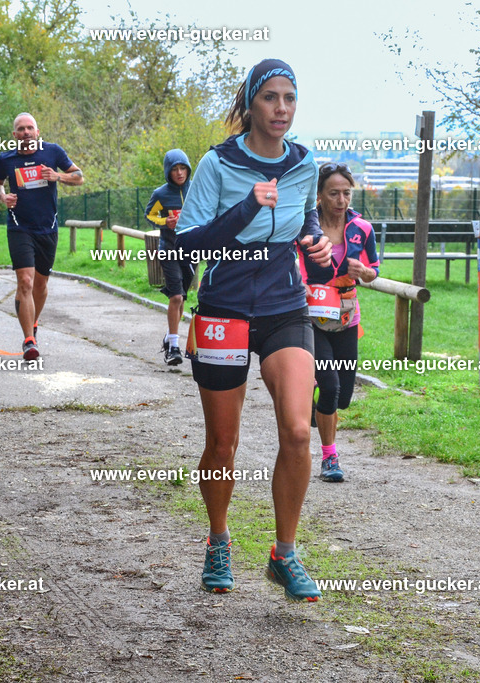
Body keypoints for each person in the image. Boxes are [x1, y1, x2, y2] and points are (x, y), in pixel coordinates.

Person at [174, 58, 332, 601]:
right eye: (270, 98)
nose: (281, 109)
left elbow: (305, 217)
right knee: (223, 441)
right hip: (224, 307)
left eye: (290, 98)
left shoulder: (304, 163)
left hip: (285, 305)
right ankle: (218, 541)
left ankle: (283, 554)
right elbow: (186, 245)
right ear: (250, 103)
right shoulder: (218, 164)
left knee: (295, 429)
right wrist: (246, 206)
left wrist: (317, 240)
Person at [298, 163, 378, 482]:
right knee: (329, 385)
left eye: (346, 192)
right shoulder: (305, 227)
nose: (341, 200)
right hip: (311, 318)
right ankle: (330, 458)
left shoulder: (362, 228)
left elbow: (374, 270)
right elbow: (288, 262)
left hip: (346, 317)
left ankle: (321, 407)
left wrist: (366, 273)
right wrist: (297, 282)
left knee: (342, 395)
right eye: (333, 193)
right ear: (319, 195)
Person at [0, 112, 83, 360]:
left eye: (30, 128)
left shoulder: (53, 152)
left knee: (40, 284)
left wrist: (58, 176)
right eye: (21, 129)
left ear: (37, 132)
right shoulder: (6, 159)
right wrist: (2, 197)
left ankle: (33, 322)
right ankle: (29, 340)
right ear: (14, 135)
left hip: (47, 228)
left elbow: (79, 177)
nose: (26, 132)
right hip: (19, 227)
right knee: (26, 283)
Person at [144, 149, 195, 365]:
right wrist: (166, 222)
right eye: (175, 169)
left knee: (181, 297)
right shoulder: (161, 194)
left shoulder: (197, 190)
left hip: (192, 250)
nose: (180, 173)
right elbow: (149, 215)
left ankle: (169, 337)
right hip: (169, 249)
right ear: (168, 171)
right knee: (176, 296)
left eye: (183, 168)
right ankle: (174, 347)